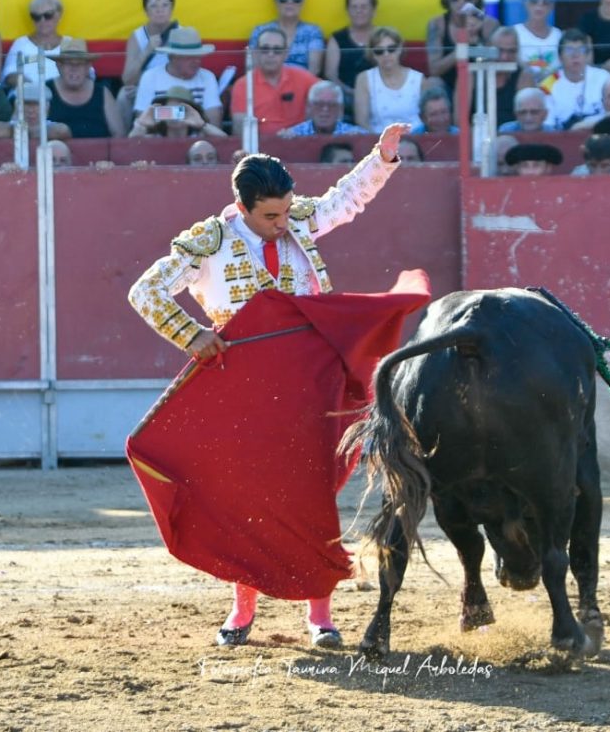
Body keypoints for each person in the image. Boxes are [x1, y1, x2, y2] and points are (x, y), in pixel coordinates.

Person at [127, 121, 409, 649]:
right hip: (247, 388)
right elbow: (146, 293)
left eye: (286, 211)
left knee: (313, 493)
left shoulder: (297, 220)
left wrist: (382, 158)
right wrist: (192, 336)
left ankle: (320, 615)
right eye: (270, 216)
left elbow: (344, 201)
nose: (283, 223)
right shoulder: (208, 242)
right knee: (246, 497)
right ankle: (242, 609)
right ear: (243, 207)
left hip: (312, 385)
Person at [230, 25, 319, 136]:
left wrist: (305, 127)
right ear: (256, 52)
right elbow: (240, 129)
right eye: (265, 49)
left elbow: (331, 94)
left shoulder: (303, 78)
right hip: (260, 147)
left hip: (298, 143)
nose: (270, 54)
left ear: (286, 54)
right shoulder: (243, 85)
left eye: (277, 50)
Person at [426, 0, 499, 98]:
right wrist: (462, 48)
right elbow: (434, 69)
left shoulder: (489, 24)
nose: (461, 2)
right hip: (447, 86)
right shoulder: (437, 24)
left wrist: (477, 41)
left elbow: (496, 61)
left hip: (479, 86)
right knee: (432, 83)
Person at [133, 26, 224, 128]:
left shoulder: (207, 77)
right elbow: (142, 122)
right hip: (158, 141)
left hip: (198, 141)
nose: (197, 61)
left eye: (198, 56)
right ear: (173, 57)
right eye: (190, 57)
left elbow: (214, 122)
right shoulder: (150, 77)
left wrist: (163, 113)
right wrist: (188, 115)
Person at [352, 25, 426, 133]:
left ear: (400, 49)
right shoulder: (364, 79)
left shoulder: (419, 79)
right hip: (378, 142)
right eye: (379, 51)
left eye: (391, 49)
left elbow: (428, 119)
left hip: (415, 141)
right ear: (372, 54)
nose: (386, 54)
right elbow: (361, 121)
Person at [48, 36, 125, 137]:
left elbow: (120, 136)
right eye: (68, 63)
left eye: (79, 63)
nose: (74, 69)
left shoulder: (102, 93)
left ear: (88, 66)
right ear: (59, 66)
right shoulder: (46, 91)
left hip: (99, 152)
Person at [249, 0, 324, 75]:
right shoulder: (260, 31)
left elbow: (314, 70)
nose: (290, 2)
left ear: (303, 2)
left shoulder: (312, 32)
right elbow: (254, 68)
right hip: (267, 85)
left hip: (302, 86)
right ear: (276, 1)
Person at [540, 29, 610, 129]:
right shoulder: (547, 85)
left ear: (587, 55)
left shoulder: (603, 78)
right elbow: (549, 126)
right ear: (560, 57)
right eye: (569, 50)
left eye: (581, 50)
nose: (575, 55)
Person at [323, 0, 376, 111]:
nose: (359, 11)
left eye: (364, 7)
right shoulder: (337, 38)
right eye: (354, 7)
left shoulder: (382, 37)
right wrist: (353, 93)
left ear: (373, 10)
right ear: (347, 10)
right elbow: (331, 75)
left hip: (378, 96)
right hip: (346, 97)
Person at [1, 0, 66, 88]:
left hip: (63, 97)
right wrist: (34, 91)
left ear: (59, 15)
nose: (42, 21)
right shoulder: (21, 43)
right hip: (27, 97)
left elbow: (87, 73)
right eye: (36, 17)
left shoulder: (70, 44)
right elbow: (9, 75)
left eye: (48, 15)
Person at [122, 0, 179, 92]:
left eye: (165, 5)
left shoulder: (182, 33)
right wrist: (147, 50)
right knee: (123, 96)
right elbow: (127, 80)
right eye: (153, 6)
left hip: (176, 89)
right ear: (146, 11)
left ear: (172, 8)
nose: (160, 10)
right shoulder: (137, 36)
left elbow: (188, 72)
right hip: (146, 87)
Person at [129, 83, 228, 137]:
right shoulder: (154, 137)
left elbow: (224, 141)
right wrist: (142, 124)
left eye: (179, 111)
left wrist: (202, 125)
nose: (173, 116)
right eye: (169, 111)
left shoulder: (199, 138)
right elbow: (129, 145)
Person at [514, 0, 562, 82]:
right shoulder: (514, 33)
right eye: (534, 0)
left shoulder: (559, 36)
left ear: (552, 6)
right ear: (525, 2)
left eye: (546, 1)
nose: (539, 5)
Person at [278, 79, 367, 136]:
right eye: (319, 104)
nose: (325, 109)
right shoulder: (294, 135)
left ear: (340, 109)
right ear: (309, 107)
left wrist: (360, 141)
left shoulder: (355, 134)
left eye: (331, 105)